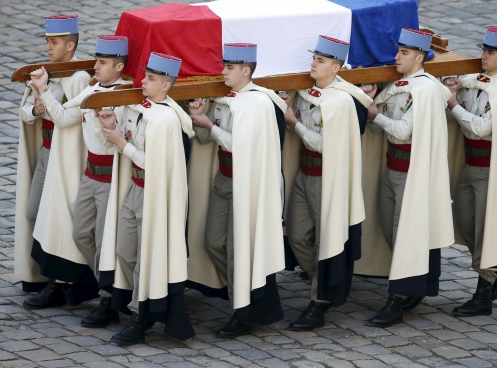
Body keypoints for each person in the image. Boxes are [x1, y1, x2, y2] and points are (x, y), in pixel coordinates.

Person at [28, 35, 129, 327]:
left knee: (103, 240)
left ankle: (109, 298)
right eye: (97, 61)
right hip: (89, 177)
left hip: (112, 179)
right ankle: (101, 286)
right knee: (81, 234)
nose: (95, 66)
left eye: (102, 62)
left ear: (119, 67)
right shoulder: (91, 92)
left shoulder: (126, 96)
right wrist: (43, 90)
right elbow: (62, 118)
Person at [187, 43, 286, 338]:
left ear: (246, 71)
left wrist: (209, 125)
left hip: (247, 185)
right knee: (214, 242)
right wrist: (199, 119)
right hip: (224, 179)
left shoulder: (258, 103)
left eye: (229, 68)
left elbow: (240, 145)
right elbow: (208, 140)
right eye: (223, 66)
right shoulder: (225, 99)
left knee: (240, 248)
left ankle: (243, 311)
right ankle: (240, 290)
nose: (223, 72)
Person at [96, 52, 195, 345]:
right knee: (125, 251)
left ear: (166, 86)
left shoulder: (165, 120)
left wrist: (122, 144)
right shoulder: (142, 108)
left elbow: (154, 165)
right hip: (135, 190)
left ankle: (142, 317)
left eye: (151, 79)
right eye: (145, 76)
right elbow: (127, 143)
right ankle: (132, 304)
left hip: (154, 196)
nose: (143, 82)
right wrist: (113, 128)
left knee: (146, 258)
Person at [365, 28, 454, 327]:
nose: (396, 57)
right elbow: (382, 129)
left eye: (403, 53)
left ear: (419, 57)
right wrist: (375, 109)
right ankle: (419, 283)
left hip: (411, 174)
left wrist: (375, 114)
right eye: (398, 51)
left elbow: (402, 130)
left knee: (405, 234)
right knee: (392, 231)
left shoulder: (424, 90)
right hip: (393, 168)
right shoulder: (398, 85)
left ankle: (397, 299)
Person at [282, 35, 372, 331]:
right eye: (314, 59)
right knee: (296, 235)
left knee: (325, 240)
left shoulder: (342, 102)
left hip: (327, 179)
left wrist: (295, 123)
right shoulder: (306, 93)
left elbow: (323, 144)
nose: (313, 64)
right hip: (304, 174)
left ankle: (318, 302)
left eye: (320, 61)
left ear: (336, 67)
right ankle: (322, 278)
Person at [445, 26, 497, 316]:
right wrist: (457, 90)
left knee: (486, 230)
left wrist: (454, 104)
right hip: (470, 165)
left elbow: (481, 128)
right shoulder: (478, 81)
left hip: (492, 173)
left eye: (490, 52)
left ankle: (483, 294)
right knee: (466, 222)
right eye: (483, 50)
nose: (483, 56)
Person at [15, 15, 92, 307]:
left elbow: (68, 120)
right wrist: (35, 109)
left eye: (55, 42)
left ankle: (60, 283)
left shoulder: (80, 77)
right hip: (47, 152)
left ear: (71, 45)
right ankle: (50, 277)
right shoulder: (46, 72)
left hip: (66, 158)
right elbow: (24, 112)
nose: (49, 47)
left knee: (59, 218)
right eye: (47, 41)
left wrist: (46, 99)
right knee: (35, 211)